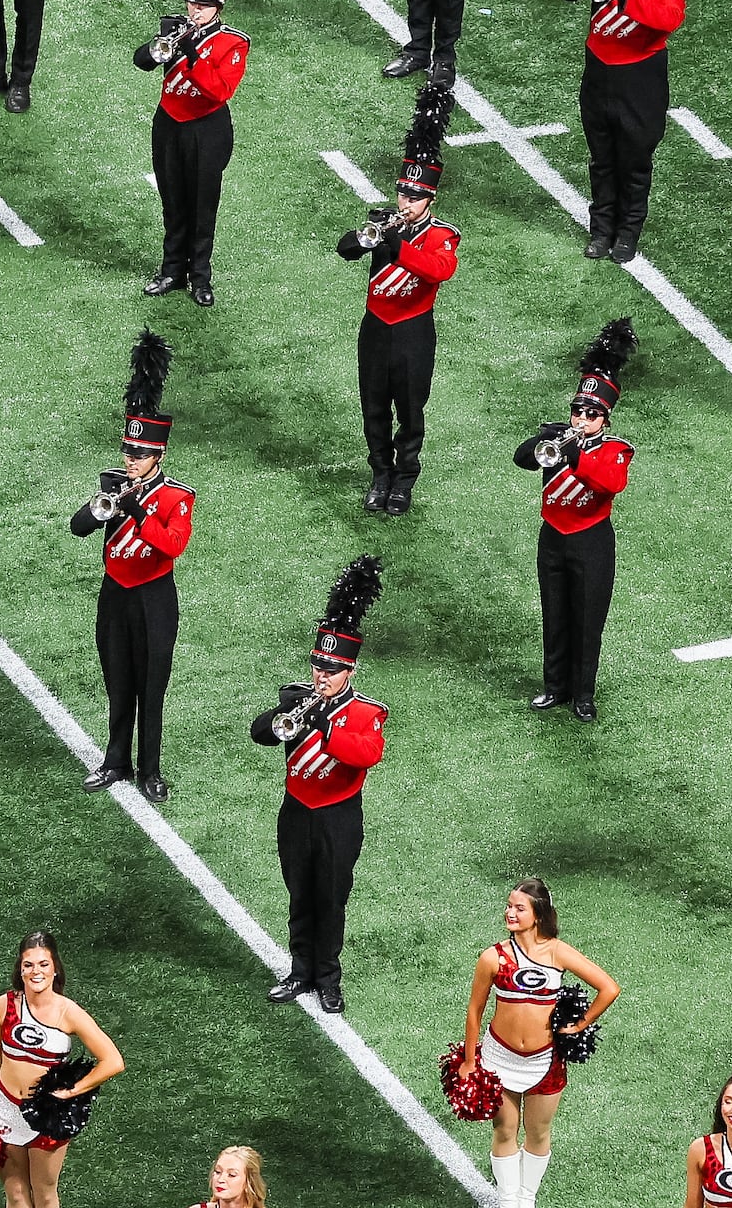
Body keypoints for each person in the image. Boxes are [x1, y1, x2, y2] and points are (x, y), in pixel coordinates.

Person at [255, 558, 384, 1009]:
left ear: (350, 671)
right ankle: (299, 972)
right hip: (296, 811)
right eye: (318, 667)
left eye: (331, 670)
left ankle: (328, 977)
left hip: (337, 816)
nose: (321, 676)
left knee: (330, 897)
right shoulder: (296, 698)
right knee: (299, 891)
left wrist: (326, 726)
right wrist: (286, 715)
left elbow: (366, 754)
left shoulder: (367, 712)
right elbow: (260, 734)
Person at [72, 334, 192, 796]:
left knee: (151, 688)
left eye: (140, 455)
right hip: (115, 594)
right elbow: (78, 525)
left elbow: (171, 545)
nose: (131, 460)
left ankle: (150, 771)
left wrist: (138, 510)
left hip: (154, 598)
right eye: (128, 452)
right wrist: (105, 506)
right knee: (118, 681)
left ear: (158, 455)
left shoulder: (176, 496)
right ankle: (115, 760)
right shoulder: (113, 483)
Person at [561, 0, 685, 263]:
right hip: (599, 73)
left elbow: (665, 19)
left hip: (640, 80)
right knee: (601, 158)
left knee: (633, 162)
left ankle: (628, 233)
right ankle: (600, 230)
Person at [455, 881, 615, 1204]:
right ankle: (507, 1199)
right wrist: (470, 1062)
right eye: (509, 906)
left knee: (538, 1132)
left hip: (545, 1062)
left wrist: (580, 1025)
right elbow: (474, 1011)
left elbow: (608, 988)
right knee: (504, 1129)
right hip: (499, 1057)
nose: (509, 913)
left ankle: (526, 1198)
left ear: (538, 914)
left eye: (519, 908)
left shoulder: (558, 951)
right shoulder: (493, 957)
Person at [340, 90, 459, 516]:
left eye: (414, 198)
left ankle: (404, 479)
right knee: (373, 405)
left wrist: (398, 247)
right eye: (402, 196)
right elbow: (345, 249)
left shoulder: (442, 234)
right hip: (375, 326)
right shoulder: (386, 222)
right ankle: (379, 474)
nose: (405, 204)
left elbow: (439, 270)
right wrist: (367, 235)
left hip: (412, 330)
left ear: (430, 200)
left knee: (409, 409)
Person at [517, 326, 631, 717]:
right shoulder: (560, 437)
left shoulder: (616, 449)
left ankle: (583, 695)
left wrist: (575, 455)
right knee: (555, 613)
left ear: (606, 418)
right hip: (552, 537)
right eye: (578, 411)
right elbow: (522, 459)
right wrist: (544, 438)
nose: (582, 418)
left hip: (591, 542)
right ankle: (554, 688)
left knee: (587, 619)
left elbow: (610, 482)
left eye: (591, 413)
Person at [138, 0, 244, 303]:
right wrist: (165, 44)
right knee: (172, 200)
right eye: (192, 2)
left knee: (202, 206)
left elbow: (219, 90)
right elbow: (142, 61)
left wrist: (193, 52)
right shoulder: (174, 28)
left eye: (203, 5)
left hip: (207, 129)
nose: (195, 9)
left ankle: (200, 277)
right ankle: (171, 272)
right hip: (168, 123)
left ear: (218, 6)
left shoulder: (232, 41)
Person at [0, 932, 124, 1204]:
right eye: (28, 965)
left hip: (46, 1116)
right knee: (15, 1194)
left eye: (43, 964)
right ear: (20, 969)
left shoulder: (68, 1012)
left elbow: (113, 1061)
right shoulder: (3, 1005)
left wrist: (72, 1091)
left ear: (55, 970)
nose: (35, 971)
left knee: (44, 1194)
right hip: (5, 1108)